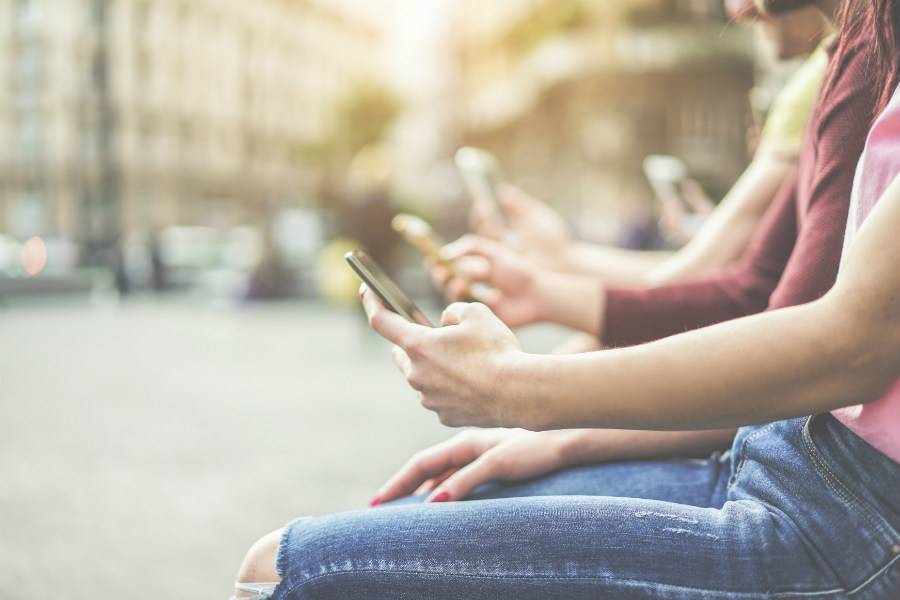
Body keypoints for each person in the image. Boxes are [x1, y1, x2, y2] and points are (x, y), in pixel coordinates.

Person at [232, 1, 900, 598]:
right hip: (788, 462)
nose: (727, 9)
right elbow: (778, 307)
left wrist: (524, 392)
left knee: (291, 572)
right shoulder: (865, 38)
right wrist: (545, 383)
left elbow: (827, 336)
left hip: (843, 515)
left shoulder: (860, 47)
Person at [472, 5, 832, 288]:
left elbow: (700, 280)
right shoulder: (834, 66)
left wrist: (555, 271)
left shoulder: (814, 82)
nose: (738, 10)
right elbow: (707, 276)